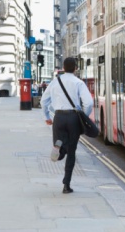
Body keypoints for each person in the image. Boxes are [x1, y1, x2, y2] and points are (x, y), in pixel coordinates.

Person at [40, 57, 93, 194]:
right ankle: (66, 185)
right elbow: (89, 103)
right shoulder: (79, 82)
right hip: (73, 117)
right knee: (72, 151)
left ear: (63, 68)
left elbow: (43, 101)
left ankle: (59, 150)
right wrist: (83, 115)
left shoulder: (55, 82)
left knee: (61, 144)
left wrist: (47, 117)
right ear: (76, 68)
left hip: (58, 117)